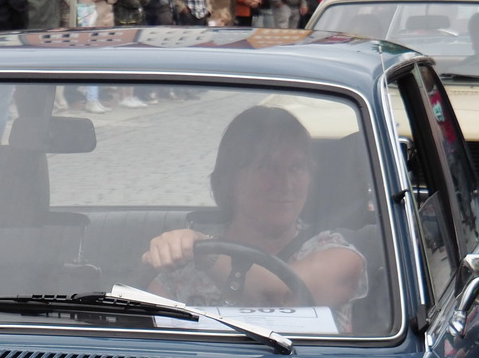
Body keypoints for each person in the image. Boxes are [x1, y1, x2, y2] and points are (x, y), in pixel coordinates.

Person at [142, 106, 366, 324]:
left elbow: (282, 295)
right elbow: (148, 336)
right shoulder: (187, 262)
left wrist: (203, 250)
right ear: (229, 179)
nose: (285, 184)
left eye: (297, 167)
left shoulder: (337, 254)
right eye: (266, 167)